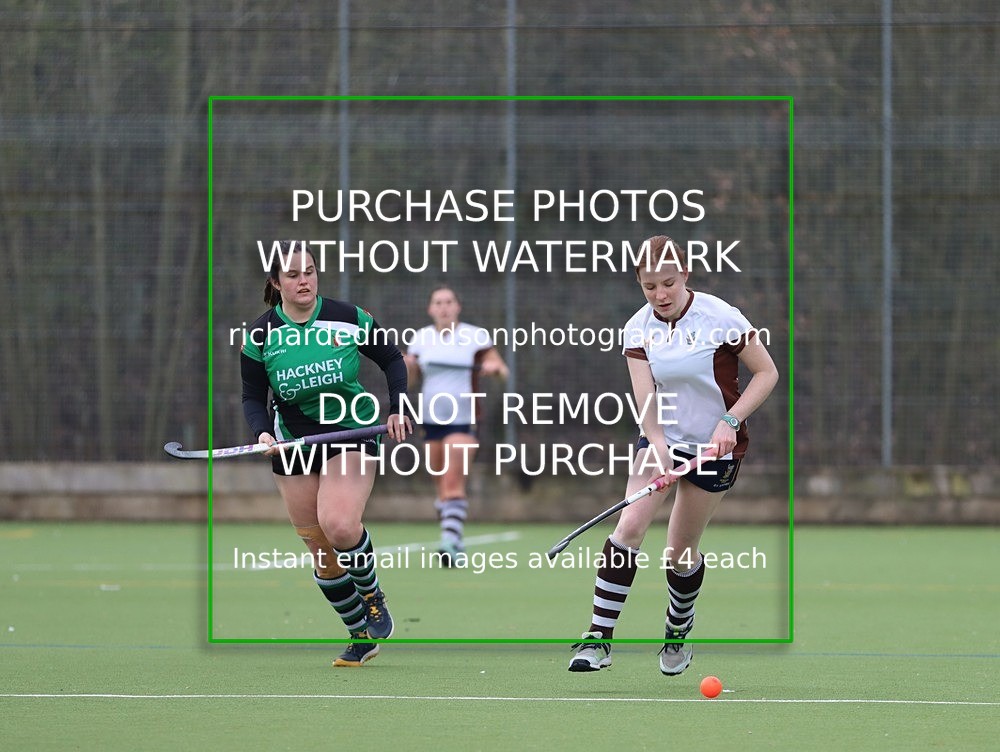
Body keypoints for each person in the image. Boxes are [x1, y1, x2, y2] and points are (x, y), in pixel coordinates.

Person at [568, 235, 778, 675]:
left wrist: (731, 421)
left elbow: (766, 373)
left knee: (680, 552)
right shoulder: (637, 327)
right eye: (649, 286)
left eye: (668, 282)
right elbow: (646, 399)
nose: (660, 294)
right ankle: (598, 640)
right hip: (663, 438)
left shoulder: (720, 316)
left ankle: (678, 629)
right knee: (627, 527)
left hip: (717, 446)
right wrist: (658, 446)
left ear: (685, 274)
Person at [240, 240, 413, 667]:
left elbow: (392, 359)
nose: (305, 280)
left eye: (311, 271)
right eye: (295, 274)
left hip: (351, 430)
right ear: (276, 282)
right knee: (319, 547)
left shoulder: (347, 317)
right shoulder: (260, 335)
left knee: (338, 525)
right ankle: (359, 636)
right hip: (294, 441)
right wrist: (263, 434)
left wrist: (399, 407)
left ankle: (372, 595)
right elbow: (250, 396)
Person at [403, 285, 508, 565]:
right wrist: (408, 367)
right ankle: (454, 535)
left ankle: (448, 544)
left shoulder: (474, 336)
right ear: (430, 308)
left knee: (452, 481)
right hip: (430, 420)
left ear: (457, 306)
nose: (444, 307)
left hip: (464, 419)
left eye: (449, 302)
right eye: (438, 302)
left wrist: (493, 368)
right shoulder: (421, 338)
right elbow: (411, 381)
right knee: (441, 487)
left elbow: (501, 369)